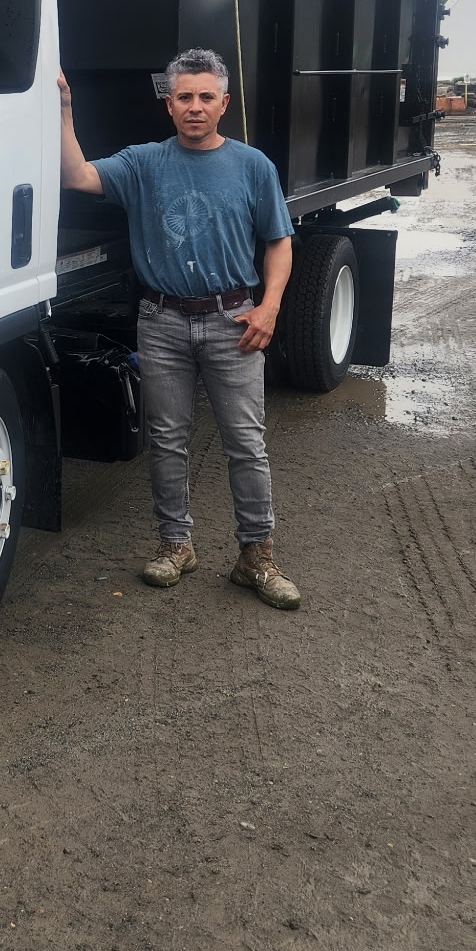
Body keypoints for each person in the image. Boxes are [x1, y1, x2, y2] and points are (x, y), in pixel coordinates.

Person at [58, 49, 301, 609]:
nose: (195, 107)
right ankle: (176, 546)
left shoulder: (253, 166)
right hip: (161, 321)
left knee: (246, 444)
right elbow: (77, 176)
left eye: (206, 97)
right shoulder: (143, 163)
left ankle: (256, 557)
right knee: (167, 442)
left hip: (234, 321)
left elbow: (279, 242)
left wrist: (268, 308)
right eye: (184, 97)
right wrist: (65, 109)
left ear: (224, 103)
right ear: (168, 105)